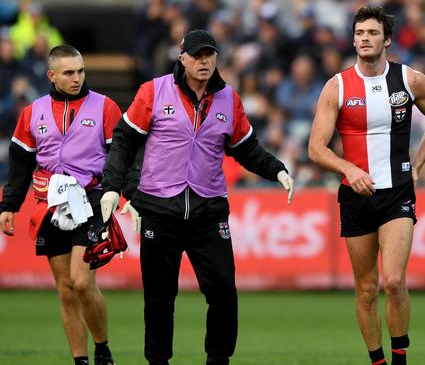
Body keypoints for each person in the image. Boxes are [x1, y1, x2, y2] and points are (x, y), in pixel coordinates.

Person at [99, 29, 294, 365]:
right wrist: (113, 187)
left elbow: (245, 147)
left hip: (208, 211)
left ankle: (218, 360)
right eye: (198, 55)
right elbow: (124, 141)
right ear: (183, 56)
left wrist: (277, 169)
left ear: (217, 58)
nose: (204, 61)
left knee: (223, 294)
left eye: (210, 55)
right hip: (159, 208)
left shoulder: (228, 98)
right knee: (159, 297)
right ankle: (158, 361)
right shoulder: (153, 91)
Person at [308, 6, 425, 365]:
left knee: (394, 281)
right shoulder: (336, 86)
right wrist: (348, 169)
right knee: (367, 289)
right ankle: (377, 361)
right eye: (359, 33)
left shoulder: (411, 80)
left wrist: (417, 165)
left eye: (371, 33)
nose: (364, 39)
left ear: (387, 40)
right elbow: (315, 149)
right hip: (355, 196)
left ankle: (400, 358)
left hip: (397, 192)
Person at [0, 45, 119, 365]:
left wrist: (119, 192)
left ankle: (103, 348)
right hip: (51, 203)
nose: (77, 78)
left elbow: (120, 156)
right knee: (66, 289)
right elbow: (21, 163)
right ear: (51, 75)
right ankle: (80, 360)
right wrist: (8, 205)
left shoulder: (105, 107)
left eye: (80, 71)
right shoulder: (32, 112)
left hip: (91, 199)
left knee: (82, 282)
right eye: (69, 73)